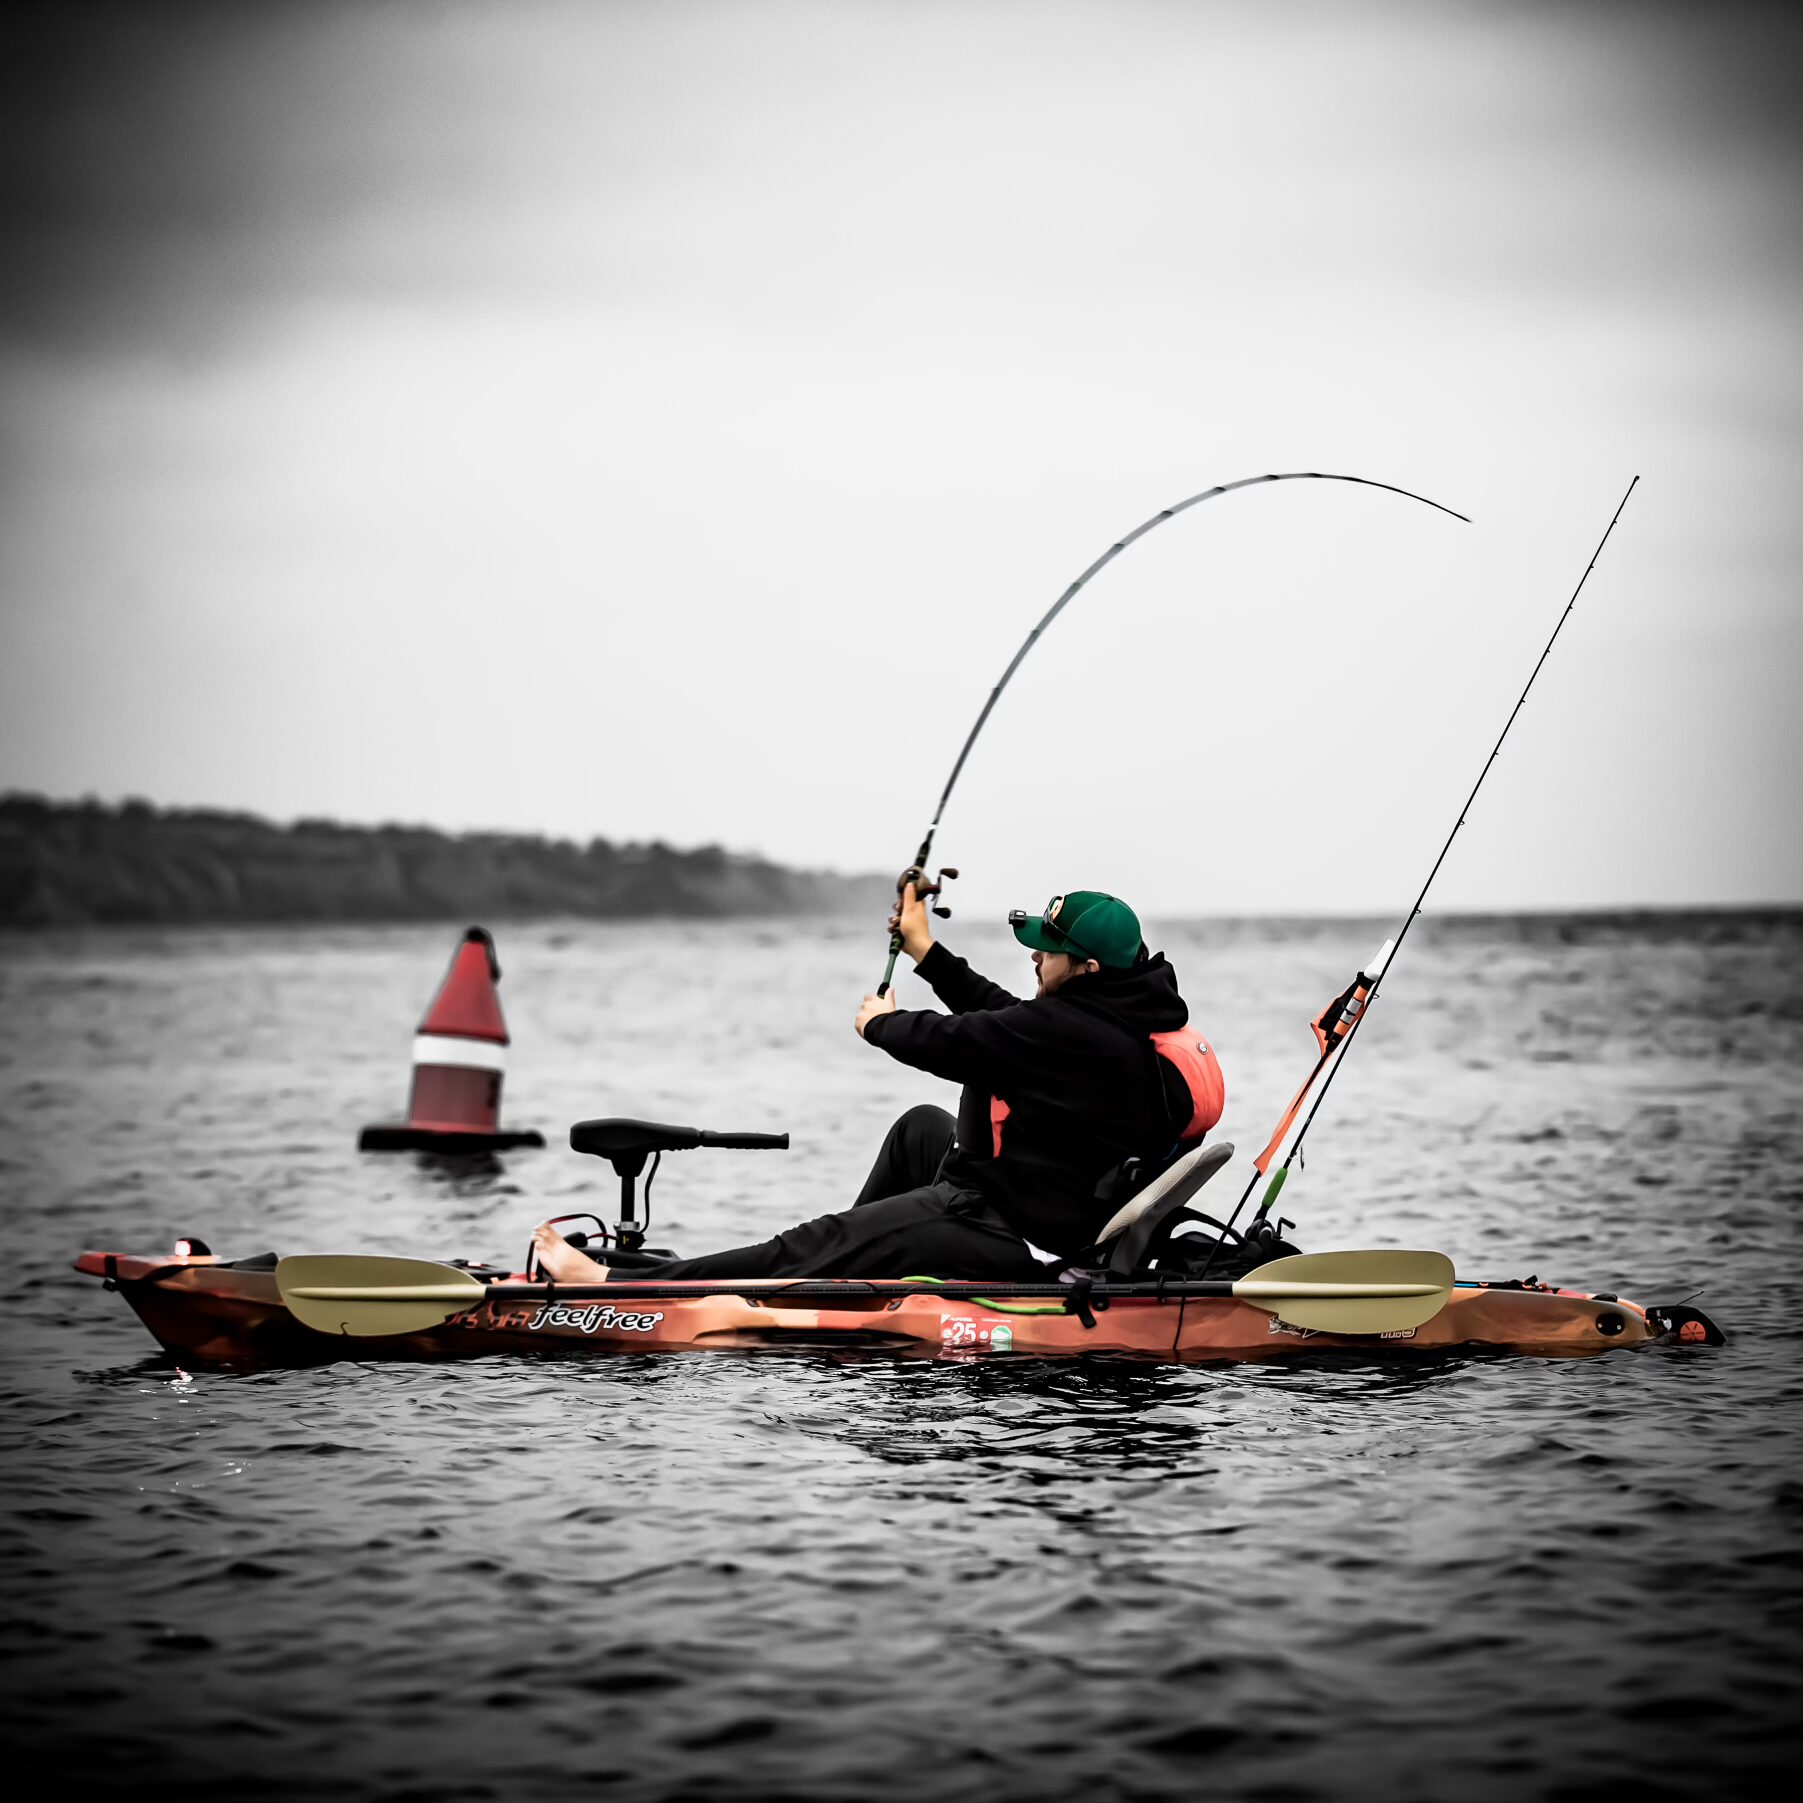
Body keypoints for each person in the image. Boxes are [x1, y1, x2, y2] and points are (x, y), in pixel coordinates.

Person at [531, 885, 1223, 1284]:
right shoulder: (1113, 1017)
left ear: (1087, 967)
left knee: (815, 1236)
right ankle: (842, 1277)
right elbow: (1001, 1017)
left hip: (1011, 1228)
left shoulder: (1073, 1030)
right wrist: (923, 950)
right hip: (1030, 1195)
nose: (1037, 955)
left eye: (1050, 949)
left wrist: (880, 1025)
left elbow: (959, 1041)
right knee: (920, 1127)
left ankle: (624, 1283)